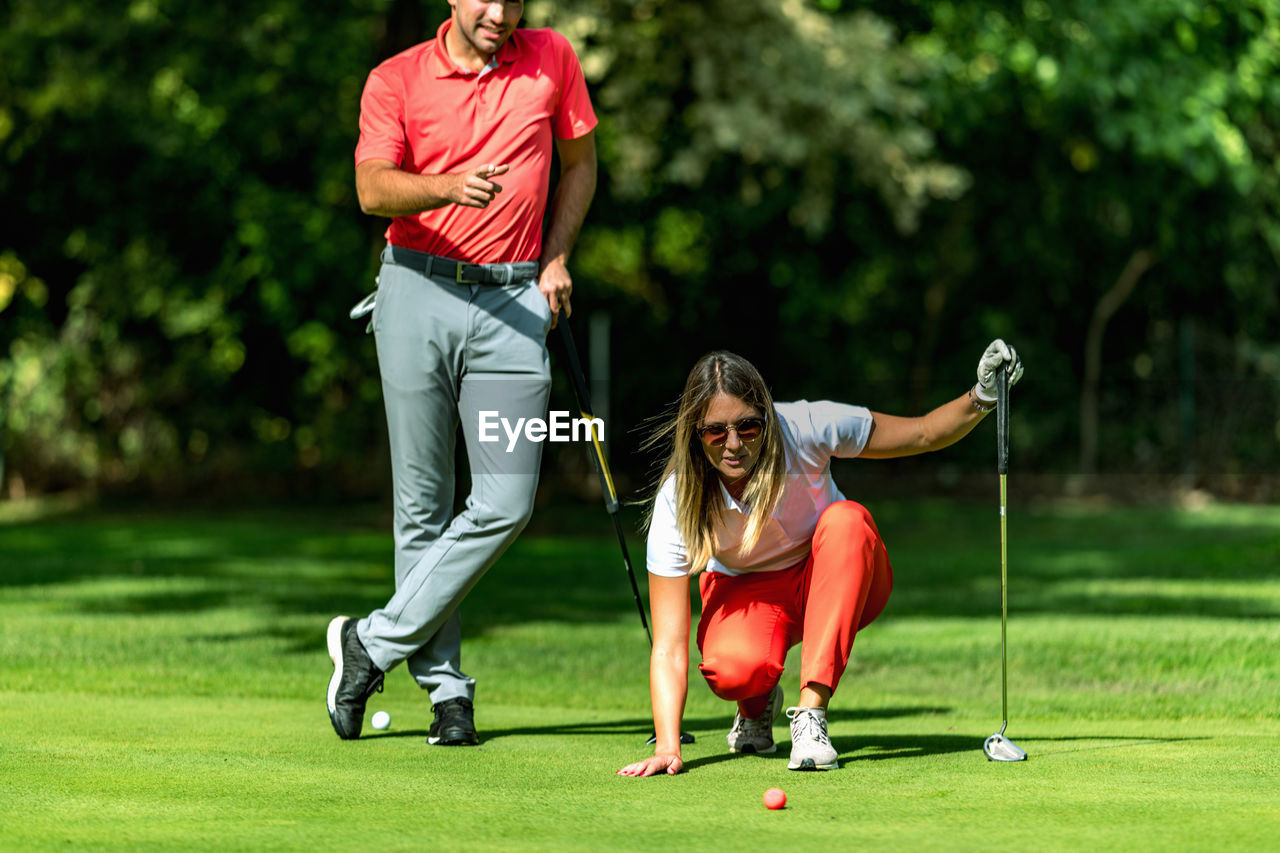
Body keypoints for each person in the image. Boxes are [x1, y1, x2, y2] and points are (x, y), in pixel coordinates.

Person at [326, 0, 597, 746]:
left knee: (507, 500)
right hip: (416, 290)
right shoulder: (397, 77)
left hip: (514, 301)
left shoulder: (552, 59)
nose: (501, 13)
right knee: (422, 504)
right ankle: (447, 691)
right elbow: (372, 188)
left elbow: (580, 165)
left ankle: (371, 643)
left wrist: (557, 255)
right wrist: (448, 186)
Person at [617, 341, 1023, 775]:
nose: (733, 444)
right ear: (695, 433)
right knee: (731, 670)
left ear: (767, 417)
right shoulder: (677, 496)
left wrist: (982, 395)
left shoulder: (808, 425)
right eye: (716, 431)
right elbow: (669, 647)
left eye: (748, 426)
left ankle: (810, 715)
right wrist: (667, 746)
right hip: (745, 592)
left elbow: (922, 432)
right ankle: (755, 705)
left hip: (834, 574)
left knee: (847, 520)